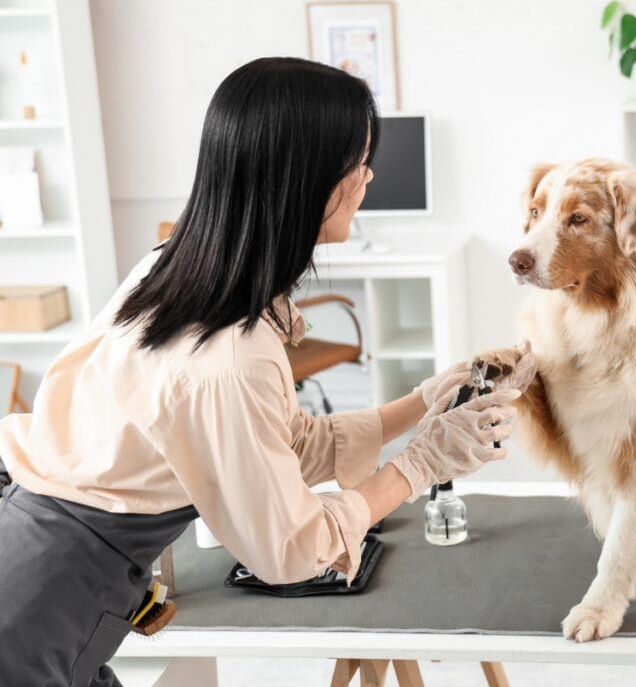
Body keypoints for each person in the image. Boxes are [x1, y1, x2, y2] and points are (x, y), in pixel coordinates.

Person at [0, 57, 534, 687]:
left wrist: (422, 402)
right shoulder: (231, 355)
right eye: (357, 163)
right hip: (41, 605)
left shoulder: (169, 269)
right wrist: (420, 465)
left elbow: (272, 442)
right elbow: (292, 550)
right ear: (305, 180)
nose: (368, 178)